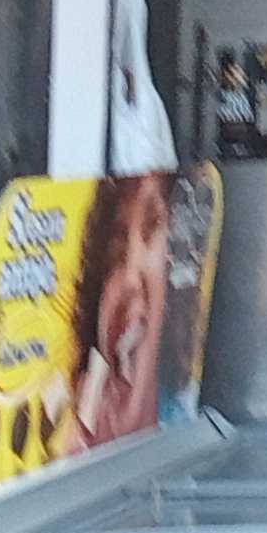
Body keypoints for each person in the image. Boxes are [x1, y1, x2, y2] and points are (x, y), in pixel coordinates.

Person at [64, 173, 177, 455]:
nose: (131, 280)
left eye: (152, 228)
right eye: (116, 247)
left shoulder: (182, 421)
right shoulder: (71, 442)